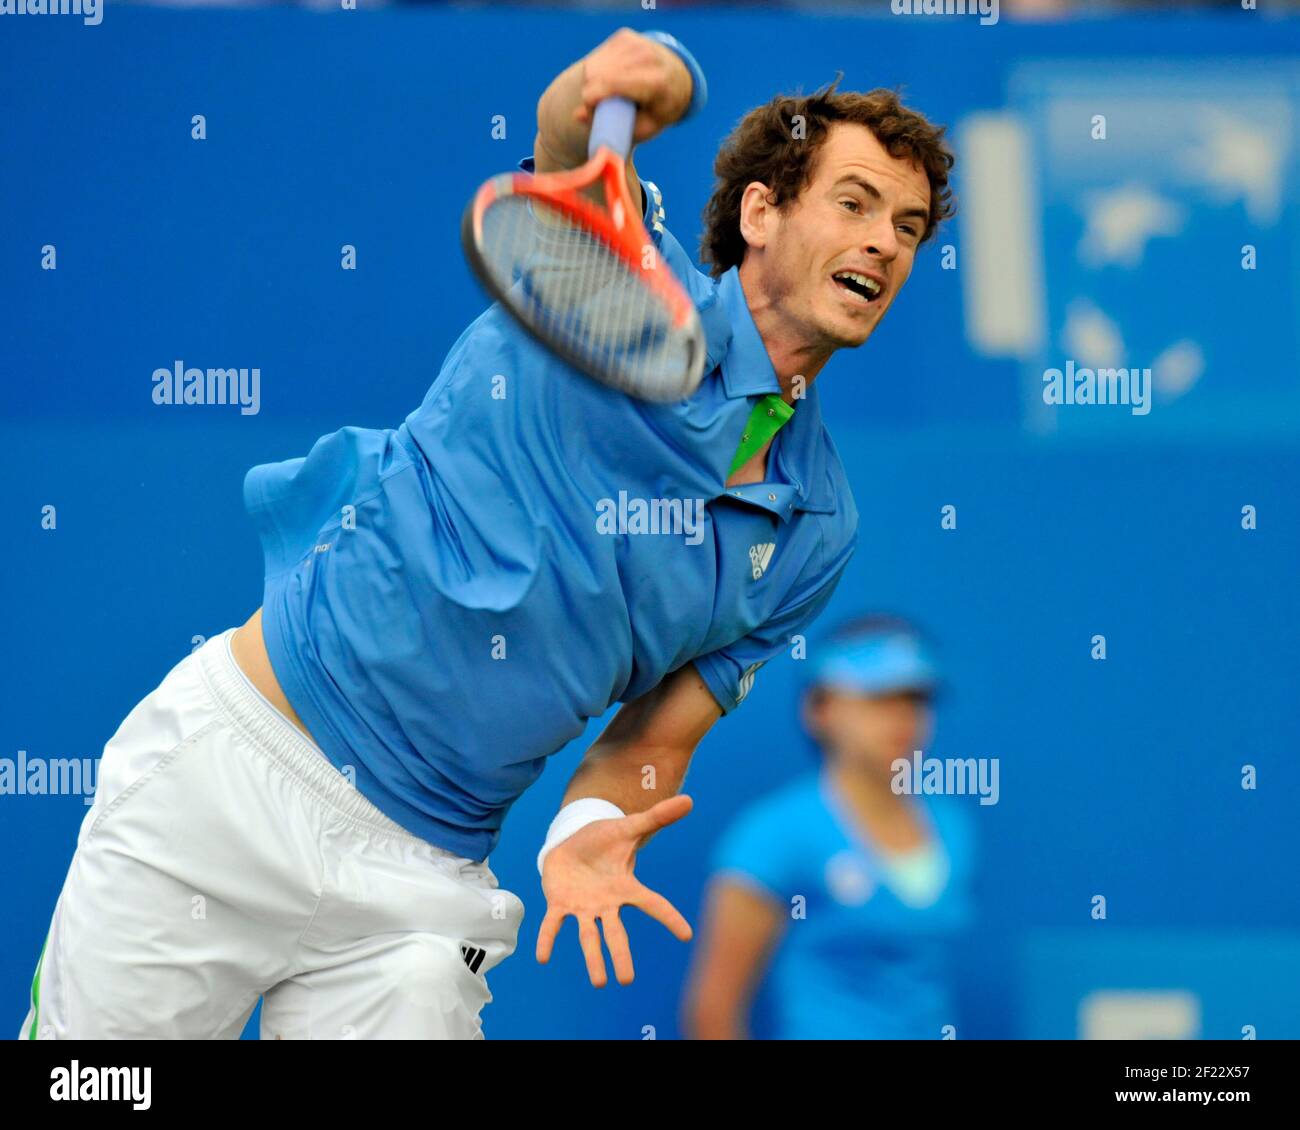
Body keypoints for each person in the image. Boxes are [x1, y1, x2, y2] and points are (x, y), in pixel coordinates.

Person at [19, 29, 954, 1039]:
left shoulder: (817, 525)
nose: (884, 242)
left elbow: (654, 736)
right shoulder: (608, 281)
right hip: (232, 776)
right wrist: (625, 81)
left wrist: (592, 821)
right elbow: (567, 142)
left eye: (907, 228)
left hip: (424, 879)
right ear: (761, 211)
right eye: (854, 202)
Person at [682, 616, 975, 1040]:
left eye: (915, 698)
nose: (902, 716)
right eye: (878, 696)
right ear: (820, 710)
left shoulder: (954, 827)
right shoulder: (773, 836)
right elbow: (713, 1011)